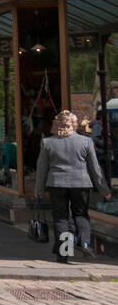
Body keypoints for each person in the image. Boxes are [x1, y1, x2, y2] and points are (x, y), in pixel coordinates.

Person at [36, 110, 113, 263]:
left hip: (57, 184)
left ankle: (64, 253)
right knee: (81, 214)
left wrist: (38, 190)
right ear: (75, 124)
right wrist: (104, 190)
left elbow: (41, 168)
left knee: (61, 217)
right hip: (81, 183)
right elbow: (95, 169)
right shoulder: (85, 142)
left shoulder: (48, 142)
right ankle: (85, 242)